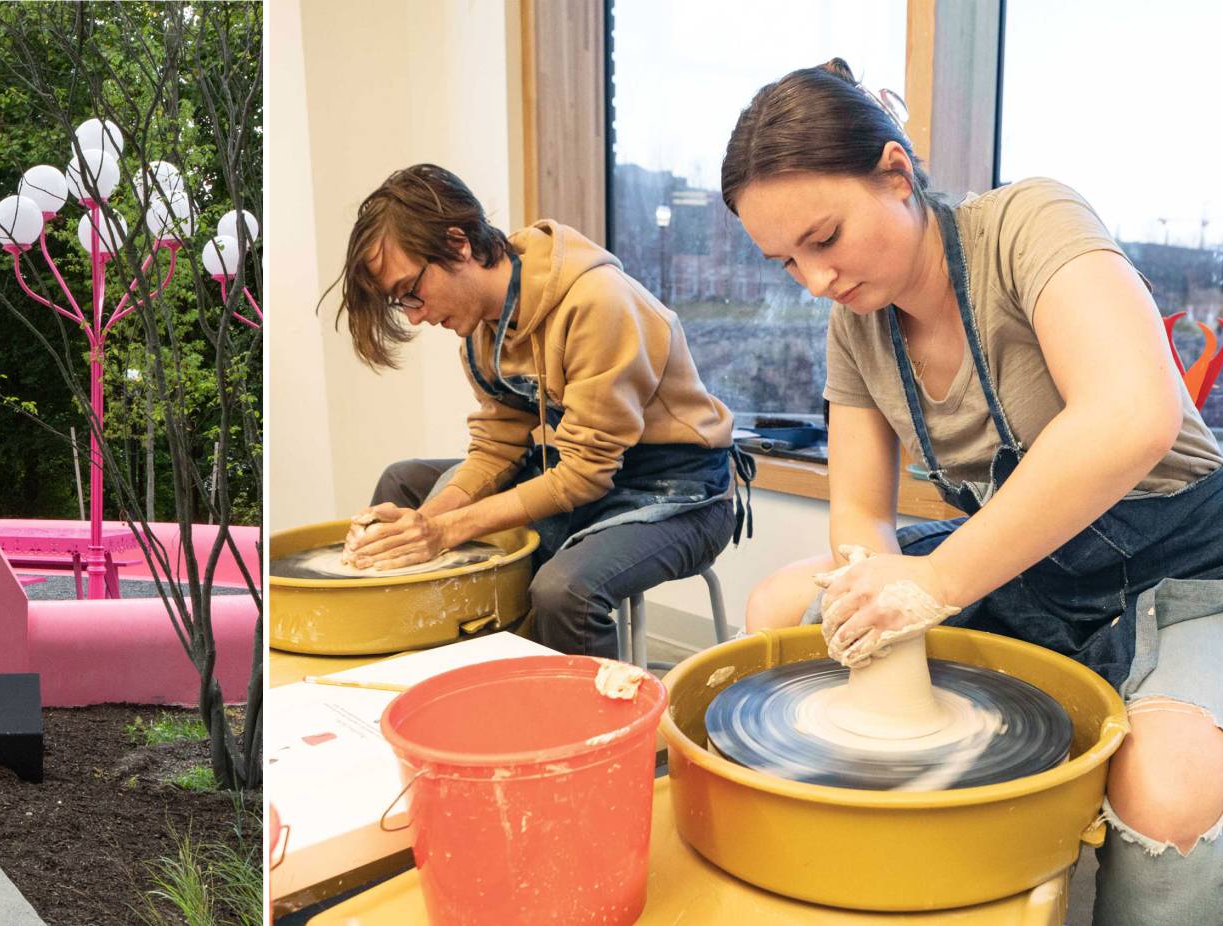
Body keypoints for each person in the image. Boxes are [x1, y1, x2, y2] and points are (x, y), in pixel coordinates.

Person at [726, 59, 1223, 923]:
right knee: (782, 606)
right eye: (786, 262)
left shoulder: (1030, 222)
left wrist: (932, 586)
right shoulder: (857, 327)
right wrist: (875, 628)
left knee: (1169, 793)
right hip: (1026, 568)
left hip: (1186, 574)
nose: (815, 280)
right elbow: (860, 513)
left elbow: (1131, 415)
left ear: (894, 171)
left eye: (826, 237)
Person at [330, 164, 748, 658]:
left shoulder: (597, 302)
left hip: (681, 493)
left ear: (458, 245)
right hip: (577, 473)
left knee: (562, 591)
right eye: (402, 303)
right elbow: (498, 447)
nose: (416, 315)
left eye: (410, 291)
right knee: (404, 482)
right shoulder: (480, 330)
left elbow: (583, 475)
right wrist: (419, 527)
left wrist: (444, 531)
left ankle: (587, 726)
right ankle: (417, 668)